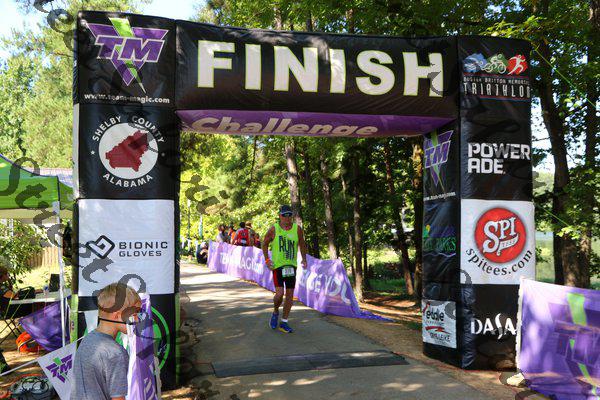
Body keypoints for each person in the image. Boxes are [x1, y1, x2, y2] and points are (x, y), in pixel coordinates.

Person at [71, 282, 141, 400]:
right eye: (134, 314)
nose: (137, 320)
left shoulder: (87, 340)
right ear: (117, 316)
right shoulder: (116, 353)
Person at [262, 205, 307, 333]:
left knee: (290, 295)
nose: (287, 218)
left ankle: (284, 322)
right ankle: (276, 311)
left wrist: (304, 259)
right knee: (279, 294)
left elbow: (302, 244)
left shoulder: (297, 229)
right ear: (280, 216)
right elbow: (264, 243)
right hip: (278, 266)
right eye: (284, 215)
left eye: (289, 215)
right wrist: (267, 260)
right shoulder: (274, 229)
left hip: (291, 266)